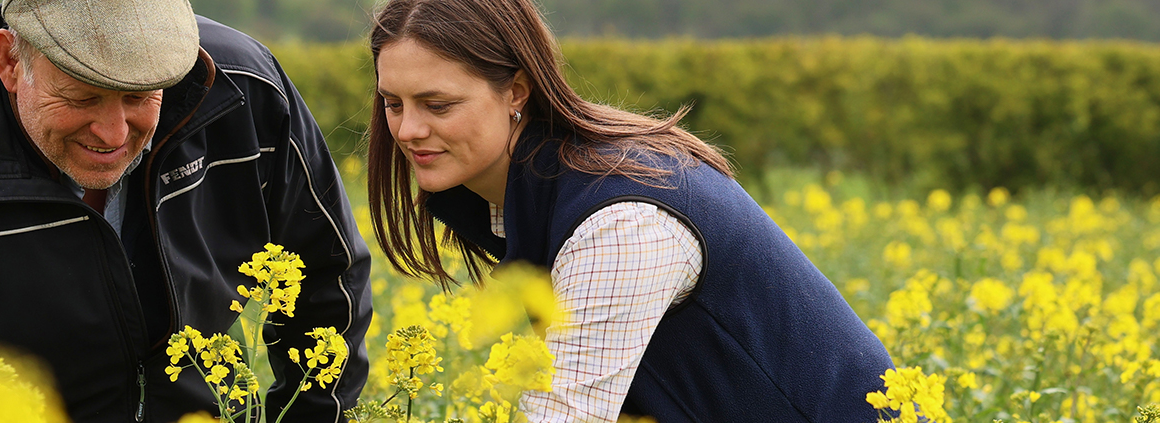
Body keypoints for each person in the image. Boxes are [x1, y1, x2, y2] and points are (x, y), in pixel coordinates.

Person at [0, 0, 373, 421]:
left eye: (140, 96)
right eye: (81, 97)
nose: (113, 133)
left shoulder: (245, 88)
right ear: (10, 61)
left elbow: (329, 275)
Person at [361, 0, 892, 421]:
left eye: (439, 105)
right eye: (393, 103)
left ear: (515, 91)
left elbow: (564, 415)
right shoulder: (539, 193)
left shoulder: (619, 222)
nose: (408, 131)